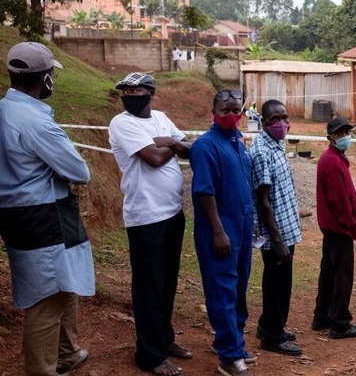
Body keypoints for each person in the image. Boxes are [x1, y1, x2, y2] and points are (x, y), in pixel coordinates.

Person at [0, 42, 94, 376]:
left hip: (17, 214)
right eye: (52, 74)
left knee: (62, 282)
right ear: (46, 79)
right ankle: (42, 369)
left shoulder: (5, 110)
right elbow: (79, 172)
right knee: (48, 297)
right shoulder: (36, 122)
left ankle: (67, 353)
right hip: (45, 215)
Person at [109, 73, 192, 376]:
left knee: (167, 282)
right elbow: (154, 158)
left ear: (150, 93)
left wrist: (168, 141)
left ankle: (164, 340)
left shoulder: (161, 118)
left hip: (172, 213)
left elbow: (189, 148)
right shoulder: (122, 123)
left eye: (137, 89)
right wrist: (173, 145)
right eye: (126, 90)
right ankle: (149, 354)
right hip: (145, 218)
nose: (130, 93)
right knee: (148, 286)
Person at [190, 89, 256, 376]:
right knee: (223, 289)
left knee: (239, 286)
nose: (231, 115)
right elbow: (204, 192)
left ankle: (231, 342)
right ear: (213, 112)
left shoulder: (238, 143)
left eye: (234, 109)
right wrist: (218, 231)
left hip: (241, 227)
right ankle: (230, 357)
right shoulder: (206, 146)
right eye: (224, 110)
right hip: (220, 229)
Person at [250, 100, 303, 355]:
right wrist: (278, 239)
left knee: (282, 280)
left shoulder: (277, 144)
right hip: (276, 234)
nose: (281, 123)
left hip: (286, 227)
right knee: (276, 283)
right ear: (263, 122)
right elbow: (262, 200)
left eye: (284, 117)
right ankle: (273, 336)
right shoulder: (262, 151)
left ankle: (269, 325)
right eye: (274, 119)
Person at [311, 118, 356, 338]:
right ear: (330, 137)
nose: (344, 136)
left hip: (331, 227)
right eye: (340, 133)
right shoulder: (332, 161)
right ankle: (339, 323)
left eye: (346, 131)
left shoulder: (332, 158)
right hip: (339, 228)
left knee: (329, 273)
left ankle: (321, 316)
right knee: (342, 275)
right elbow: (339, 201)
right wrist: (351, 225)